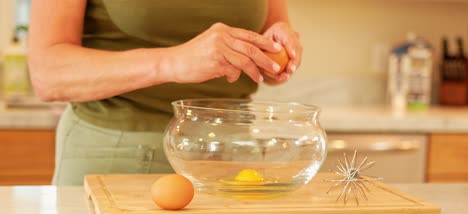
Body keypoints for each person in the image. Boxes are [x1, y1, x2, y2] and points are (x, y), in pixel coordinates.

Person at [28, 0, 303, 185]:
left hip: (232, 157)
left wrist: (275, 49)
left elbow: (268, 53)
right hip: (117, 157)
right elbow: (47, 74)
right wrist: (172, 61)